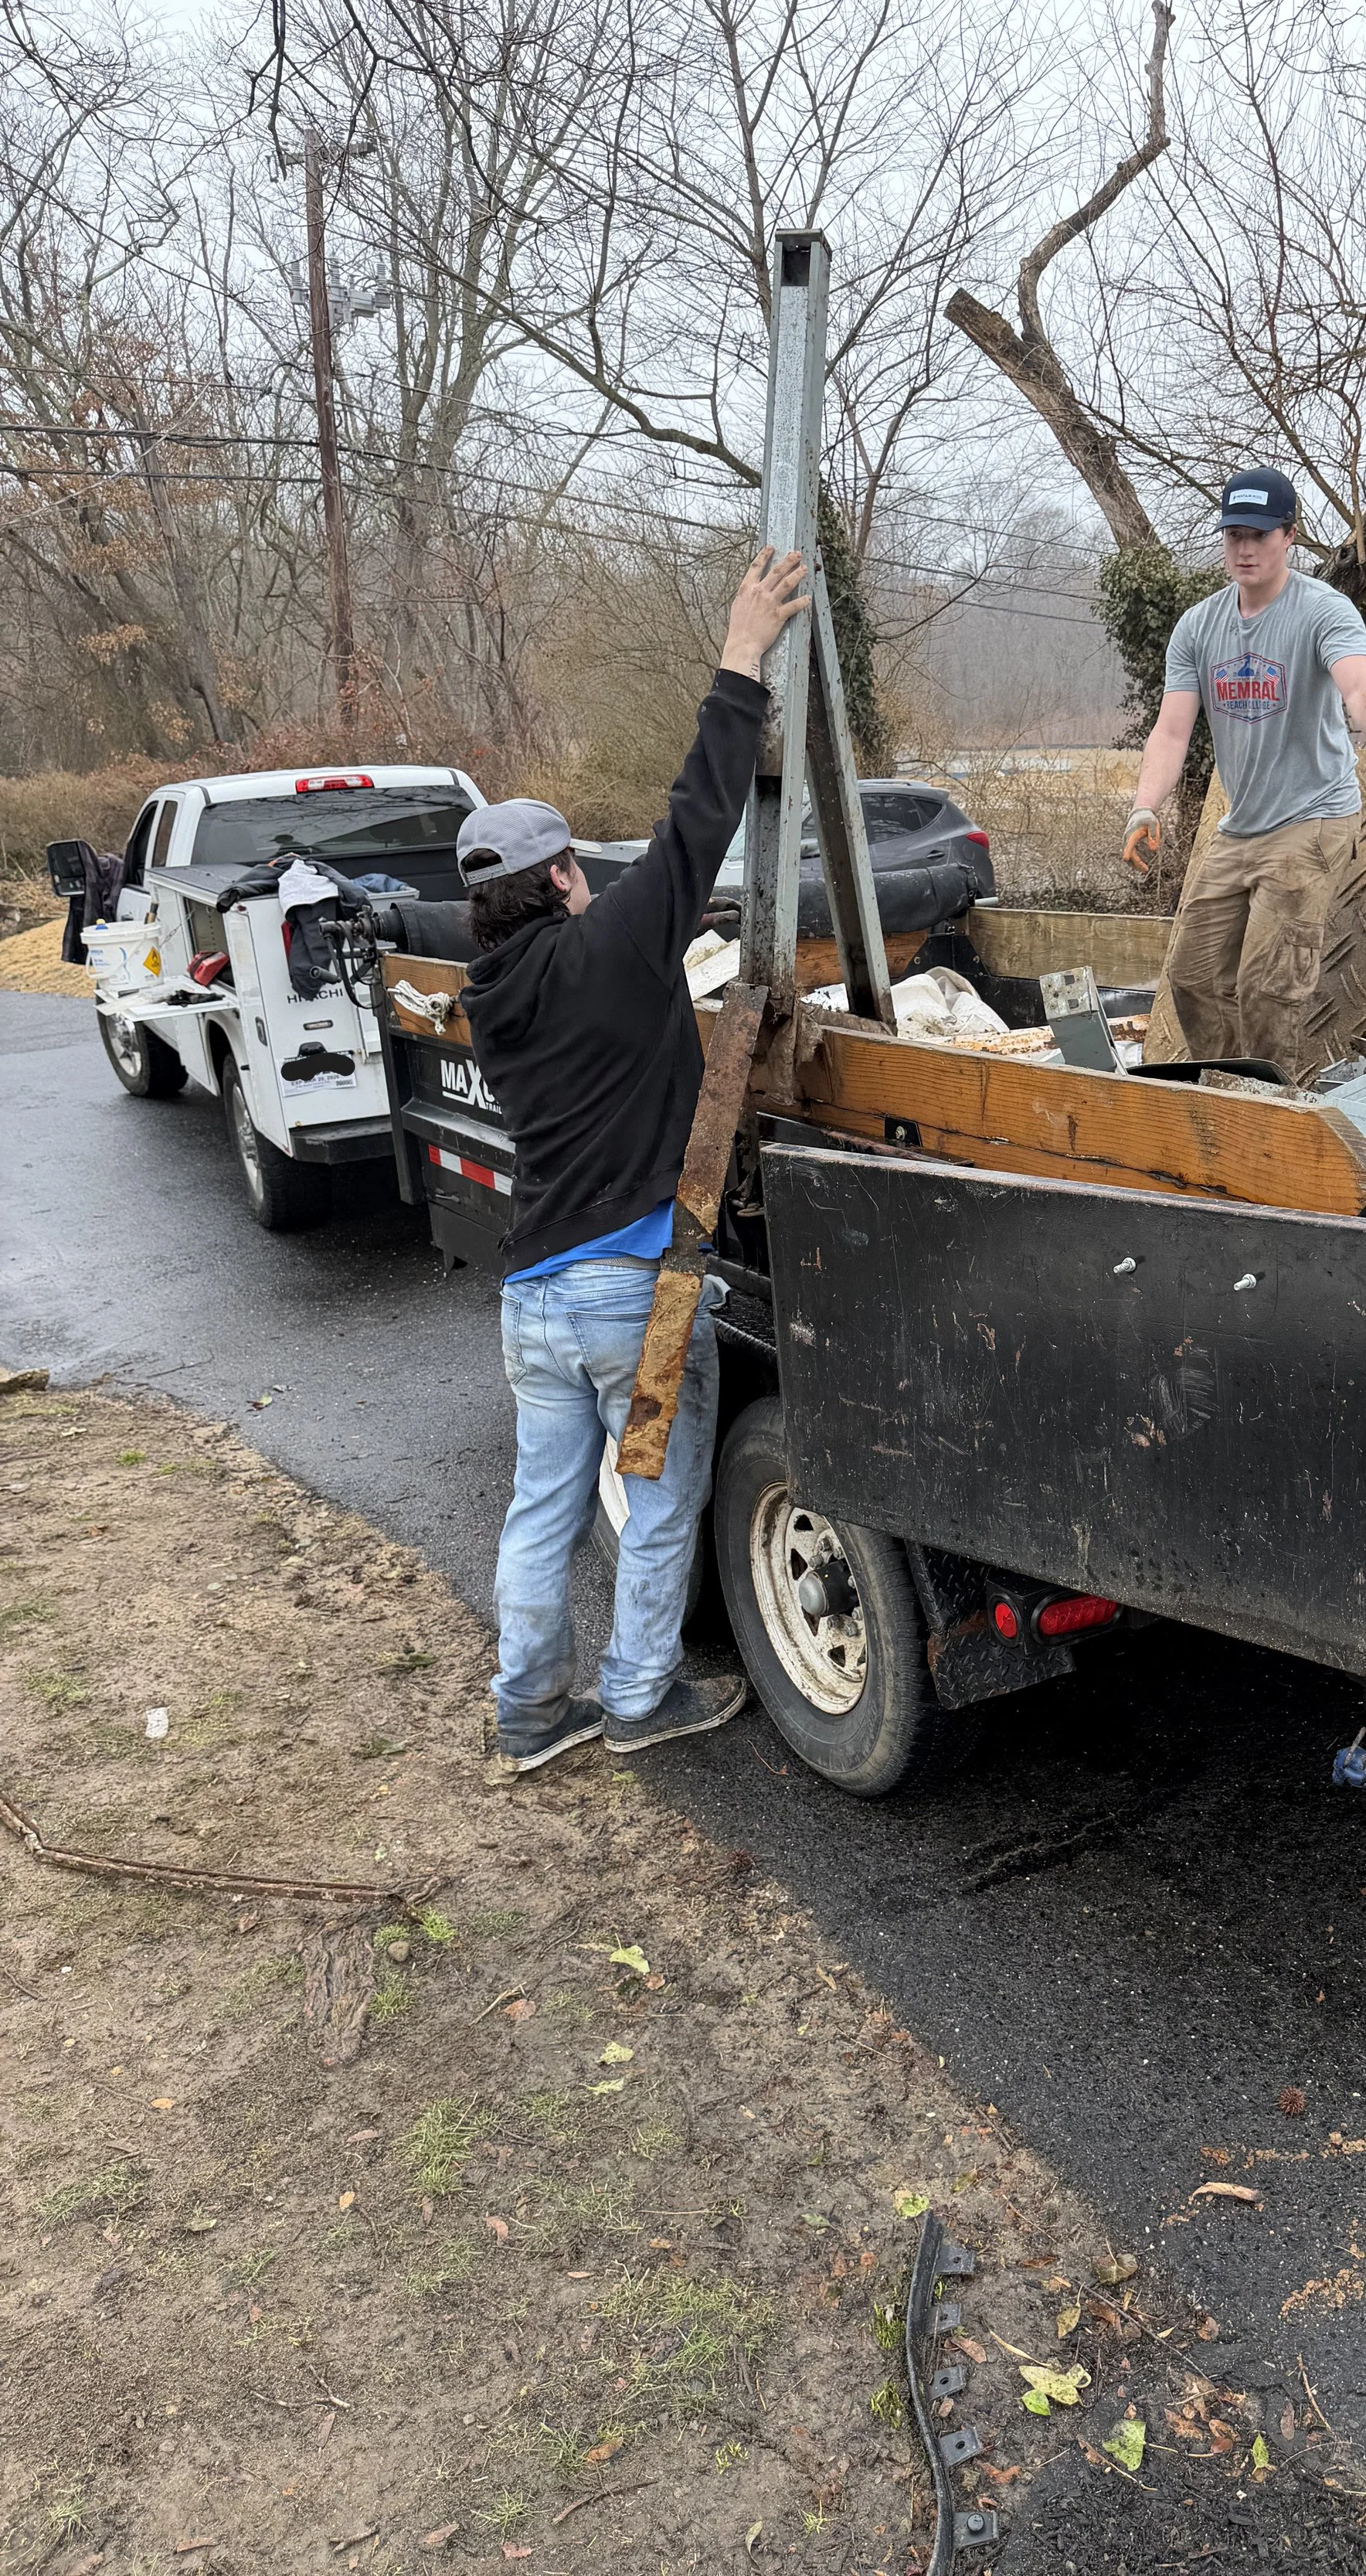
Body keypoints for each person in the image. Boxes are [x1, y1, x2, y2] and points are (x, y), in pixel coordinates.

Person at [459, 545, 810, 1776]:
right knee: (657, 1505)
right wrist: (742, 651)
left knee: (543, 1508)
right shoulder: (610, 946)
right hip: (633, 1296)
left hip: (532, 1301)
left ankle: (525, 1714)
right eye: (575, 867)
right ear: (560, 875)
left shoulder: (486, 996)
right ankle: (640, 1697)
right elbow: (698, 813)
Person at [1124, 467, 1366, 1076]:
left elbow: (1360, 687)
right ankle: (1230, 1092)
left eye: (1261, 535)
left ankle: (1273, 1109)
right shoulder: (1198, 627)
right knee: (1192, 976)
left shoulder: (1323, 611)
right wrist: (1145, 805)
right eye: (1234, 535)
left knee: (1266, 985)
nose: (1245, 549)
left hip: (1313, 817)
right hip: (1241, 826)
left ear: (1290, 536)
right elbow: (1171, 731)